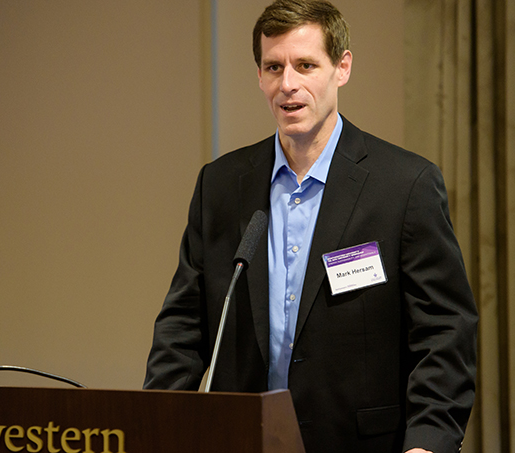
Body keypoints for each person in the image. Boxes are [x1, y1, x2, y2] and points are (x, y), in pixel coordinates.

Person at [144, 1, 477, 452]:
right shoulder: (221, 185)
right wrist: (155, 424)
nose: (288, 85)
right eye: (273, 67)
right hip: (243, 439)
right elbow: (183, 327)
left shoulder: (404, 186)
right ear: (259, 76)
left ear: (342, 68)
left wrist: (429, 442)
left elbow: (445, 332)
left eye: (305, 65)